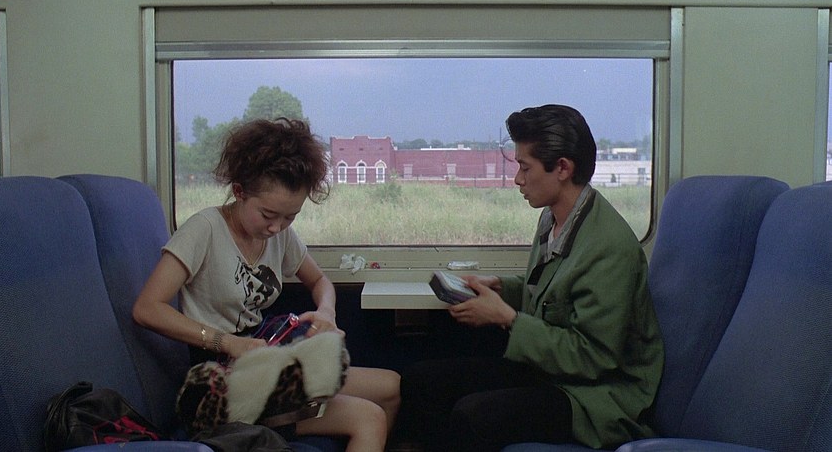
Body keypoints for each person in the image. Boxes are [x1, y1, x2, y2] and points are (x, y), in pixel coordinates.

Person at [399, 104, 664, 451]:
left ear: (563, 168)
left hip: (597, 397)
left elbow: (593, 358)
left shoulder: (609, 248)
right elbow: (556, 290)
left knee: (473, 416)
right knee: (422, 382)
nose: (517, 179)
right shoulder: (554, 219)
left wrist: (508, 319)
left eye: (525, 168)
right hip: (554, 373)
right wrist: (503, 288)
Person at [133, 118, 400, 452]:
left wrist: (327, 313)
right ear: (240, 192)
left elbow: (320, 281)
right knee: (369, 417)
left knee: (390, 386)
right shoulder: (204, 230)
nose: (277, 228)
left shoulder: (279, 236)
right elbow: (147, 309)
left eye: (290, 217)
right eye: (268, 215)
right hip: (225, 381)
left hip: (266, 360)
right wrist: (229, 343)